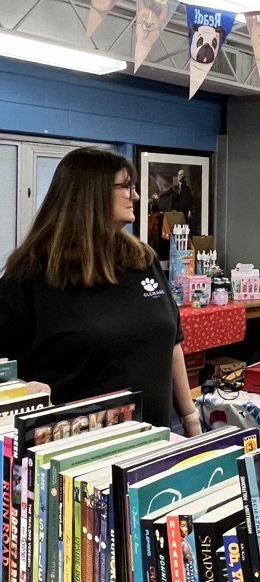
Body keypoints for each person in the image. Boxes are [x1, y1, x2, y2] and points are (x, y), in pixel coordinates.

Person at [0, 147, 201, 435]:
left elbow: (172, 344)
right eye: (125, 186)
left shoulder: (143, 261)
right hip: (77, 458)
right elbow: (5, 375)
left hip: (157, 441)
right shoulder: (29, 278)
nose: (136, 196)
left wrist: (191, 420)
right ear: (89, 194)